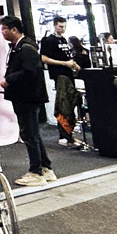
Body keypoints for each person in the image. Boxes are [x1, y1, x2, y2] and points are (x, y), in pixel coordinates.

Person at [0, 16, 57, 187]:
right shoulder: (20, 47)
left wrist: (9, 79)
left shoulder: (26, 48)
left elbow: (30, 71)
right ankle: (45, 167)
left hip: (27, 97)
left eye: (5, 29)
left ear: (14, 29)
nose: (2, 32)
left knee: (29, 134)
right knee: (32, 133)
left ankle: (36, 171)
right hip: (25, 97)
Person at [39, 16, 84, 148]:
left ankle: (68, 134)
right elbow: (44, 58)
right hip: (60, 75)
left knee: (70, 105)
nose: (62, 29)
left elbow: (66, 57)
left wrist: (73, 64)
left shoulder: (64, 40)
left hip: (68, 75)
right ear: (54, 25)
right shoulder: (48, 40)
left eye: (64, 26)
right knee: (63, 105)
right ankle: (64, 136)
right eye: (60, 26)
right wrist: (64, 63)